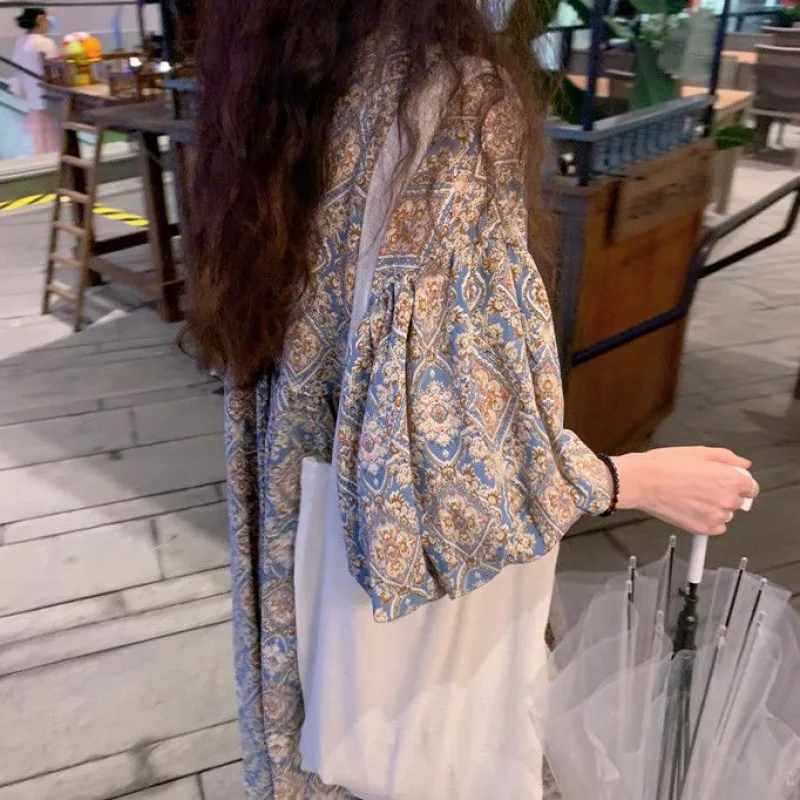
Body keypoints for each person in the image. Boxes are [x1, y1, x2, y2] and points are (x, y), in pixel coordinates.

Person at [184, 1, 761, 797]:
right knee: (432, 758)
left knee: (333, 750)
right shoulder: (450, 97)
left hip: (301, 523)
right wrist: (633, 481)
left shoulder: (284, 76)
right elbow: (446, 457)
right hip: (396, 577)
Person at [11, 7, 60, 155]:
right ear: (40, 20)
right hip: (49, 102)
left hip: (32, 103)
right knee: (55, 145)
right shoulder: (45, 43)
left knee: (41, 145)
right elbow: (57, 72)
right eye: (47, 19)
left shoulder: (20, 42)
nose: (49, 22)